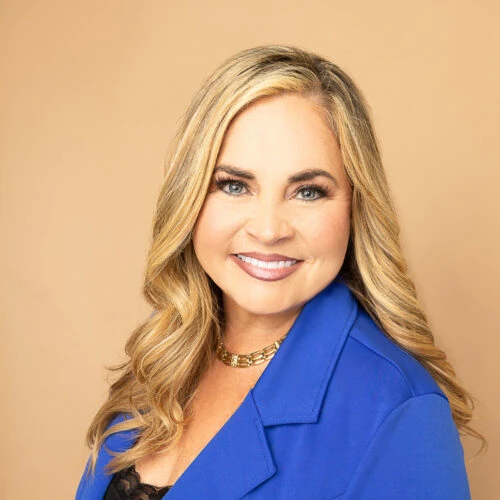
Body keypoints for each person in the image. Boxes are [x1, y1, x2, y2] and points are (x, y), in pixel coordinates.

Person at [76, 44, 485, 499]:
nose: (269, 230)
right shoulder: (164, 354)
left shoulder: (399, 412)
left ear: (355, 206)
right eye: (234, 185)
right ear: (189, 195)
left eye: (308, 191)